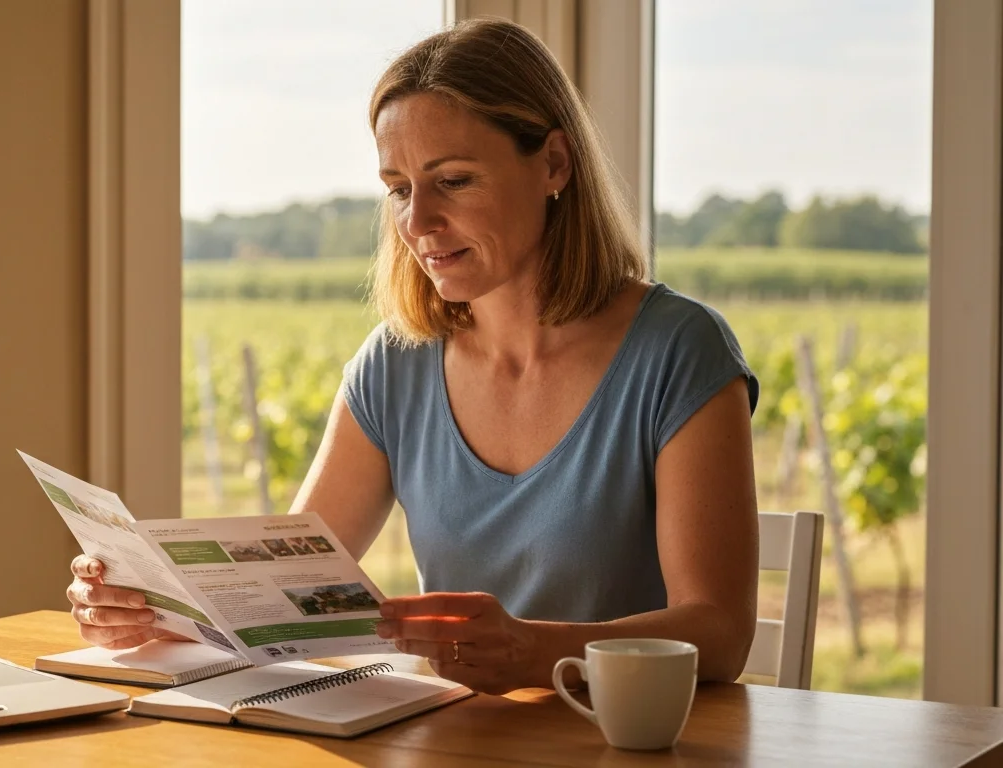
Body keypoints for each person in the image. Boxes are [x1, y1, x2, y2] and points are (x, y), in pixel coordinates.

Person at [66, 18, 759, 695]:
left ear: (553, 163)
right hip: (458, 742)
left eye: (453, 181)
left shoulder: (678, 350)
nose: (418, 222)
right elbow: (284, 595)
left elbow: (721, 634)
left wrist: (531, 652)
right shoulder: (396, 364)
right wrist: (146, 608)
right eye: (398, 188)